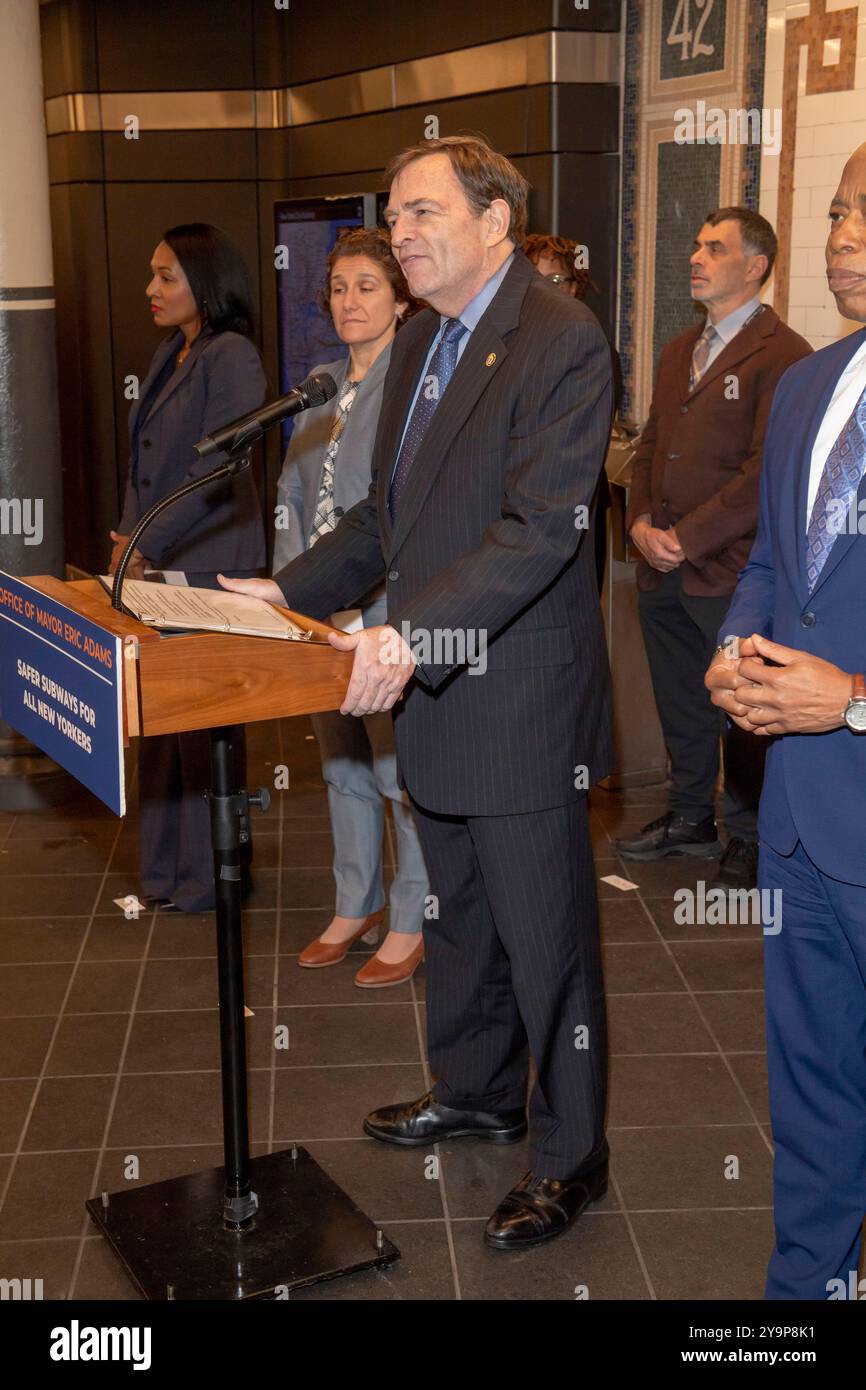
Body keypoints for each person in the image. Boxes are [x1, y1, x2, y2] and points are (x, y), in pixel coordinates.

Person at [219, 135, 614, 1250]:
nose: (401, 231)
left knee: (549, 947)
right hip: (435, 689)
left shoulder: (559, 340)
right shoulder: (427, 340)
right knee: (457, 922)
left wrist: (406, 629)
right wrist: (282, 591)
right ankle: (475, 1089)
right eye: (393, 214)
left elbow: (539, 530)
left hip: (518, 701)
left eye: (423, 210)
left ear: (495, 220)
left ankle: (569, 1157)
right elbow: (385, 521)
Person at [706, 143, 866, 1300]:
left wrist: (852, 702)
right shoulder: (809, 383)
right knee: (812, 1086)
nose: (844, 237)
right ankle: (803, 1292)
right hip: (801, 827)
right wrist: (733, 648)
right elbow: (773, 560)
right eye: (840, 212)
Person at [616, 208, 811, 889]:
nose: (695, 257)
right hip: (662, 572)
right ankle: (689, 817)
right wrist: (640, 526)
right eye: (696, 245)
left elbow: (765, 473)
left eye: (714, 248)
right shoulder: (677, 350)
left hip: (730, 573)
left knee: (744, 708)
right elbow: (646, 450)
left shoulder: (785, 354)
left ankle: (751, 835)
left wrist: (686, 537)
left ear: (755, 266)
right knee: (681, 700)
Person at [274, 228, 429, 987]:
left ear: (403, 298)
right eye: (338, 287)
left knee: (400, 769)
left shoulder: (419, 384)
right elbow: (290, 496)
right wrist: (292, 596)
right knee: (340, 761)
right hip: (316, 611)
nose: (349, 300)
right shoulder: (321, 380)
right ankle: (352, 901)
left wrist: (369, 608)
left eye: (368, 285)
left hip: (382, 607)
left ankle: (410, 915)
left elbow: (407, 514)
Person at [109, 223, 267, 913]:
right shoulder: (173, 350)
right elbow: (146, 459)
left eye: (167, 275)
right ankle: (167, 876)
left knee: (202, 730)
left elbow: (217, 471)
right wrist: (125, 535)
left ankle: (209, 881)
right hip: (156, 560)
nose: (152, 288)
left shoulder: (231, 356)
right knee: (162, 724)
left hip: (208, 564)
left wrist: (144, 541)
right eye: (153, 273)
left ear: (205, 281)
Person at [523, 232, 621, 594]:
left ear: (574, 287)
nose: (541, 289)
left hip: (573, 510)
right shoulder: (508, 345)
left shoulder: (588, 345)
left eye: (553, 280)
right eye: (532, 279)